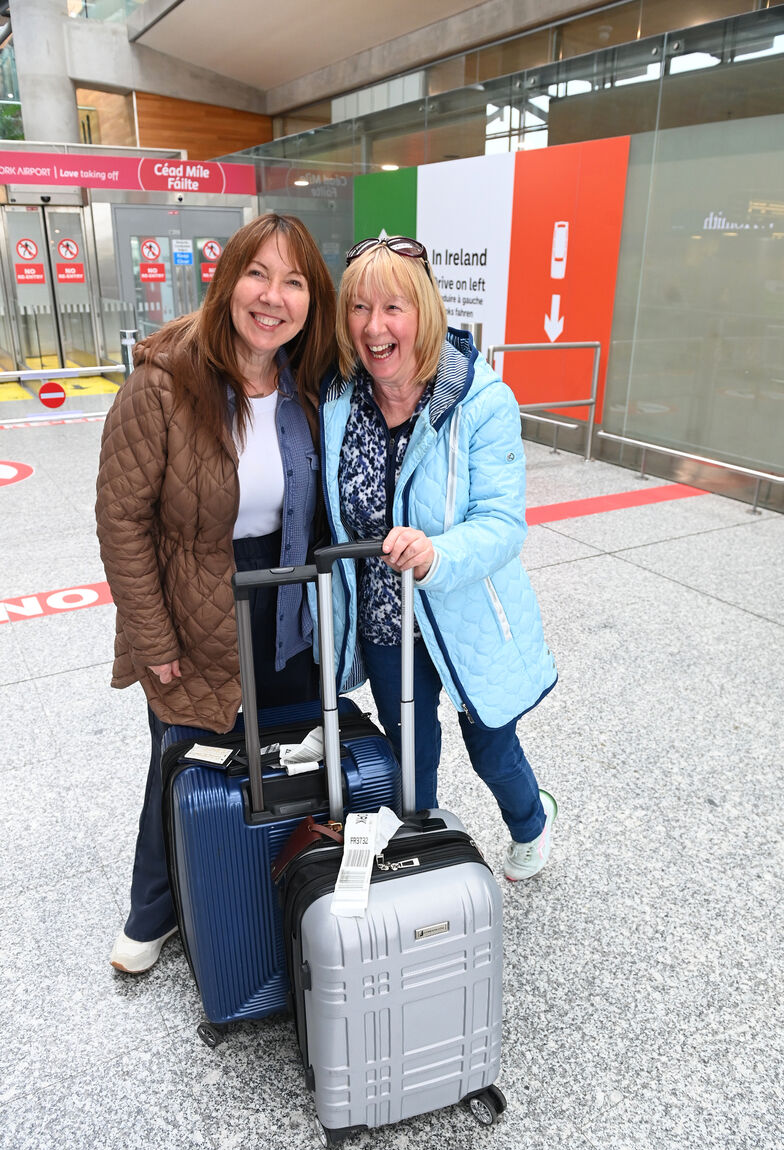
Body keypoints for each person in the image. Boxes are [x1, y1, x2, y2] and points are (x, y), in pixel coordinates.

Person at [96, 213, 336, 972]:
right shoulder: (161, 384)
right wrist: (154, 641)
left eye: (293, 281)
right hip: (193, 601)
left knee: (282, 758)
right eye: (258, 275)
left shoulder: (310, 386)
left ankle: (259, 891)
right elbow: (121, 519)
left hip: (286, 601)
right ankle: (155, 909)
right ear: (227, 282)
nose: (273, 297)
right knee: (184, 761)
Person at [319, 234, 558, 881]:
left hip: (463, 611)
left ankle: (532, 822)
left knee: (491, 746)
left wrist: (435, 554)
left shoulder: (480, 402)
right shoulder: (340, 399)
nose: (374, 327)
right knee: (411, 753)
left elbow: (503, 524)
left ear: (423, 311)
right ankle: (418, 858)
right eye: (359, 309)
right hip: (387, 618)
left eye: (392, 307)